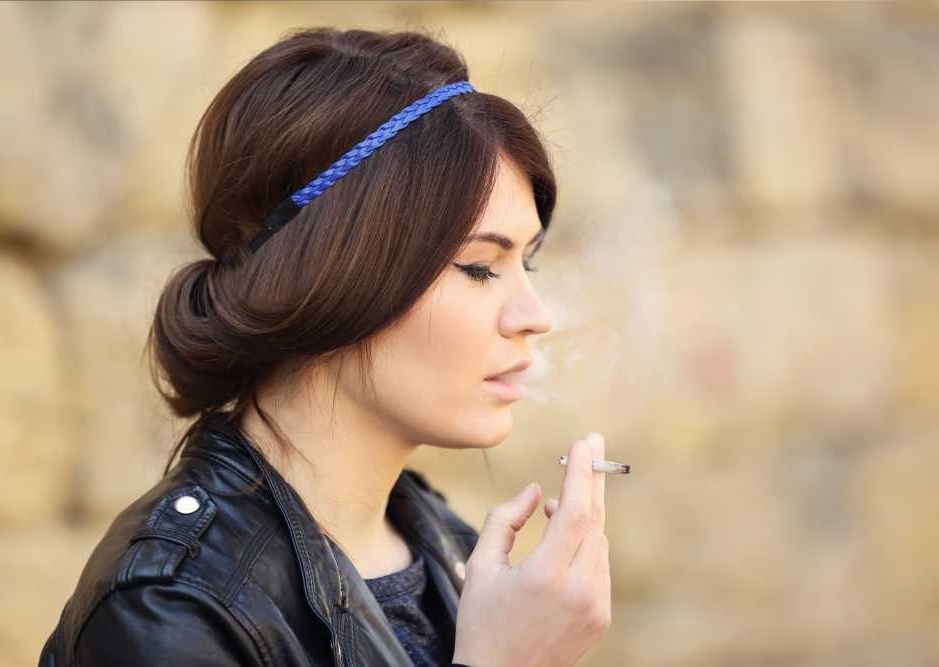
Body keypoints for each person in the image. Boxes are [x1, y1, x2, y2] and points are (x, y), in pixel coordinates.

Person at [39, 25, 611, 667]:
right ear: (336, 273)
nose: (535, 317)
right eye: (480, 267)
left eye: (526, 265)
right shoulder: (169, 609)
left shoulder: (442, 545)